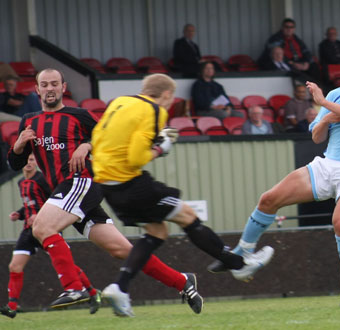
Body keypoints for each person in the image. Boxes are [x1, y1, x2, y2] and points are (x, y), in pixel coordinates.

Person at [7, 69, 205, 314]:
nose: (49, 88)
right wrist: (17, 147)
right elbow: (16, 164)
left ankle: (74, 288)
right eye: (44, 84)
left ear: (63, 87)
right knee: (121, 250)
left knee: (41, 227)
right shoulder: (29, 121)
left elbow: (110, 137)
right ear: (37, 89)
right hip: (67, 192)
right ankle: (182, 281)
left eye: (54, 84)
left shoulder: (79, 115)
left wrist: (86, 144)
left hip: (82, 181)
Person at [208, 50, 340, 307]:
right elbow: (317, 137)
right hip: (328, 165)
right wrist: (327, 118)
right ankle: (241, 255)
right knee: (268, 199)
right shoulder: (337, 94)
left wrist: (323, 103)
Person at [91, 73, 273, 317]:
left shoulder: (120, 102)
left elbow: (100, 139)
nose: (170, 102)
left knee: (157, 232)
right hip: (131, 183)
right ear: (166, 94)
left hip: (107, 185)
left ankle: (120, 287)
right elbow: (136, 158)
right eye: (171, 97)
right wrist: (160, 148)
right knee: (187, 216)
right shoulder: (154, 110)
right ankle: (238, 265)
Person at [0, 154, 100, 318]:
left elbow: (53, 202)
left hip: (46, 227)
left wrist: (38, 216)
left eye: (32, 159)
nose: (28, 163)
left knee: (67, 265)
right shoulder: (20, 182)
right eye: (26, 160)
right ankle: (12, 307)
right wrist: (20, 214)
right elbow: (30, 204)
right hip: (28, 231)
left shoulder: (42, 180)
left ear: (36, 162)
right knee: (14, 266)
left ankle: (92, 292)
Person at [258, 18, 321, 83]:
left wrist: (307, 63)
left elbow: (306, 51)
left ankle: (318, 89)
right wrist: (293, 63)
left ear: (294, 29)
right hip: (288, 62)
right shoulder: (275, 39)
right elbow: (277, 55)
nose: (289, 29)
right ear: (282, 28)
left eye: (291, 27)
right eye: (286, 27)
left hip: (300, 61)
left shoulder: (296, 39)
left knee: (314, 66)